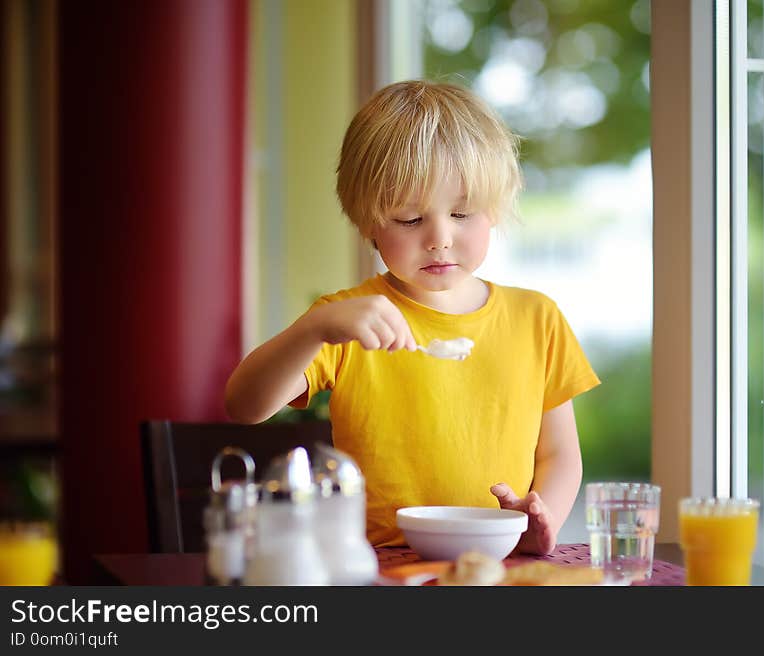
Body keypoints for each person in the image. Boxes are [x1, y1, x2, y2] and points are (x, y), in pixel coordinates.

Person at [225, 80, 600, 555]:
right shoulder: (345, 321)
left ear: (496, 208)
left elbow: (560, 455)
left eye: (463, 213)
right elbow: (244, 405)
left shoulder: (537, 318)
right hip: (375, 567)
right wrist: (312, 330)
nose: (440, 237)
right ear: (368, 223)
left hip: (496, 564)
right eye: (408, 219)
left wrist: (537, 523)